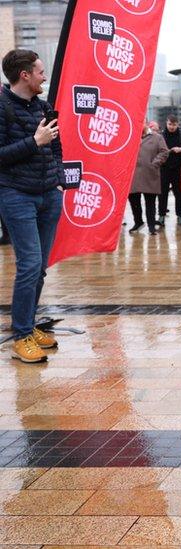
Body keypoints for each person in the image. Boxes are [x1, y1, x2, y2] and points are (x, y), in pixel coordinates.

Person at [0, 49, 64, 363]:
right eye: (39, 71)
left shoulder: (43, 106)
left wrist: (59, 178)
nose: (44, 75)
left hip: (49, 194)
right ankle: (22, 335)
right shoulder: (1, 107)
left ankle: (28, 324)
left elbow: (58, 144)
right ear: (24, 74)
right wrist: (33, 142)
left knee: (39, 268)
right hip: (16, 195)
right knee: (28, 266)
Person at [128, 119, 169, 235]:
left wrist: (154, 163)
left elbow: (164, 152)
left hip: (150, 173)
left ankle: (151, 226)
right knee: (134, 200)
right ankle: (138, 222)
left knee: (150, 201)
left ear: (145, 123)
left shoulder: (157, 137)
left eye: (141, 123)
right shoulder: (130, 136)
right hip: (134, 174)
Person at [158, 115, 181, 227]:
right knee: (162, 193)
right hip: (163, 169)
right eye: (170, 124)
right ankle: (161, 216)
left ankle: (180, 216)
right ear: (166, 123)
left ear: (177, 124)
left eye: (174, 124)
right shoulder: (161, 136)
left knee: (179, 193)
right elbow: (155, 151)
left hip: (177, 169)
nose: (172, 127)